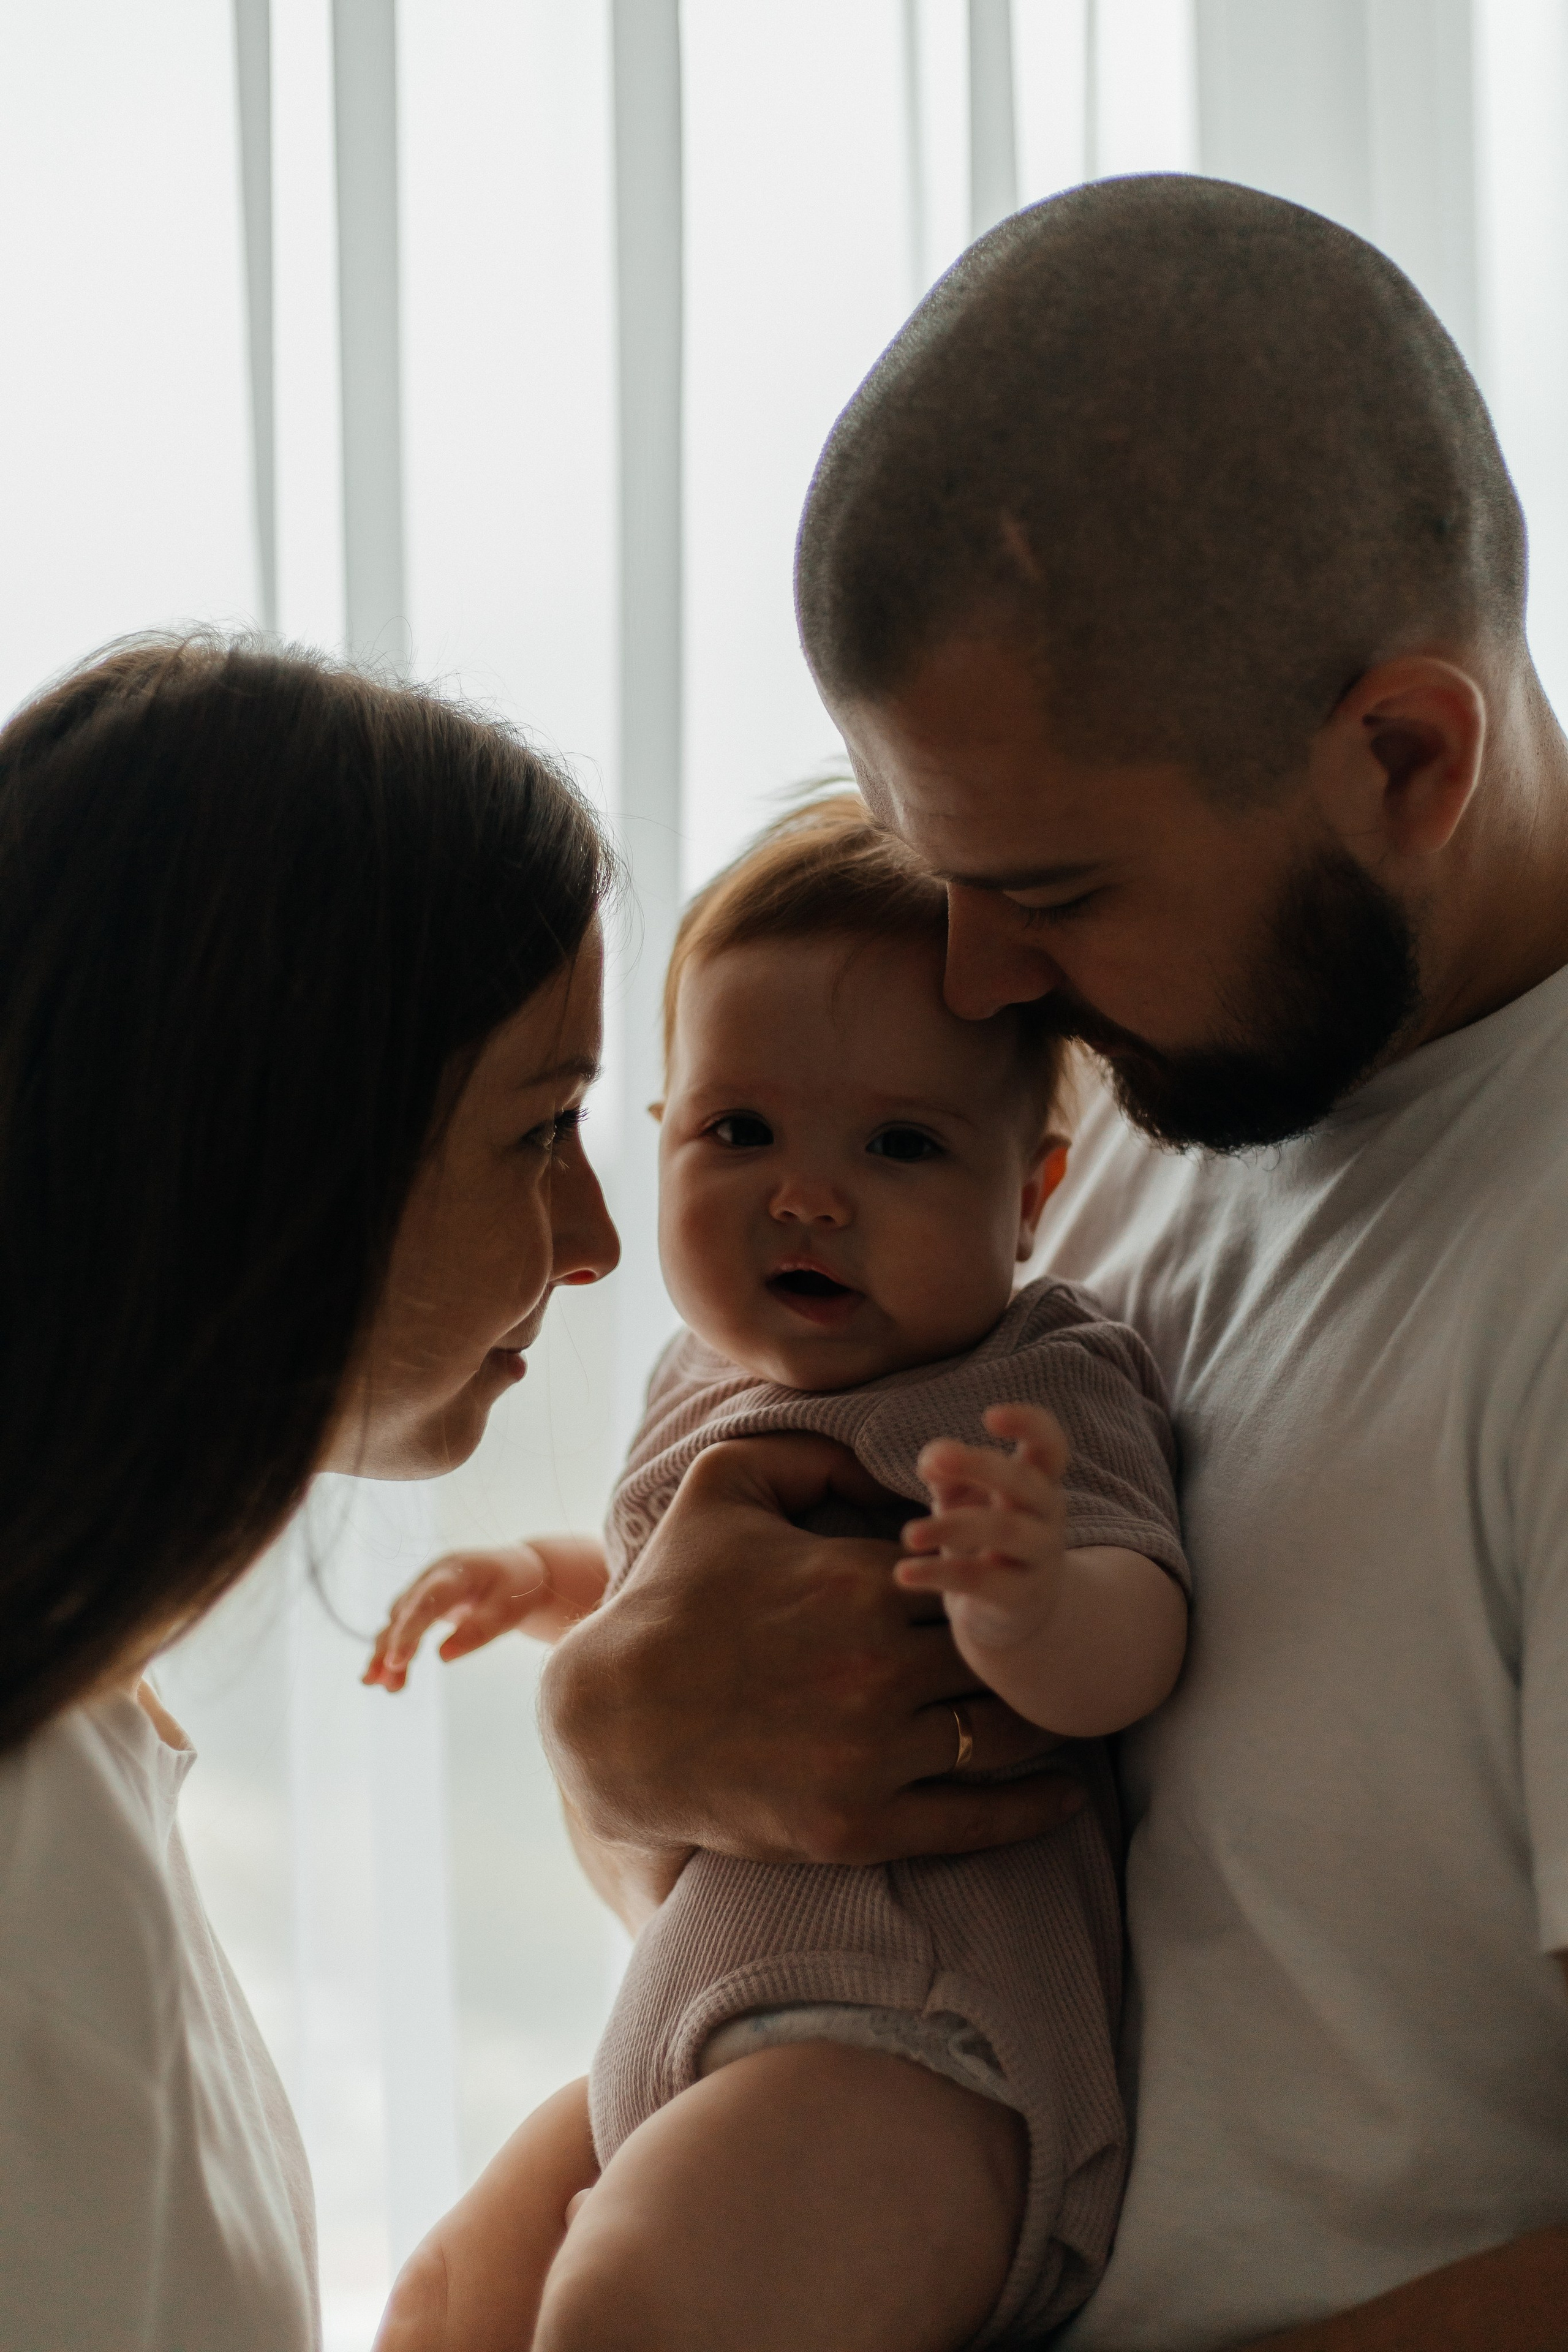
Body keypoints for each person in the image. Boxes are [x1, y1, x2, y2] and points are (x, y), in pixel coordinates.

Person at [538, 175, 1568, 2349]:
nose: (982, 971)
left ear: (1405, 755)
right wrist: (620, 1745)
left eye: (1057, 886)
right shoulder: (1145, 1088)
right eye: (937, 869)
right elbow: (933, 1918)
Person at [365, 796, 1187, 2352]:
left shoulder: (1039, 1373)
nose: (803, 1196)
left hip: (923, 2049)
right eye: (738, 1132)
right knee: (442, 2302)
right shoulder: (703, 1375)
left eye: (897, 1144)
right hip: (706, 2016)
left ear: (1031, 1193)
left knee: (628, 2314)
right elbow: (672, 1589)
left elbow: (1142, 1629)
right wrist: (546, 1581)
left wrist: (1031, 1603)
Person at [0, 636, 619, 2351]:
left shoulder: (85, 1749)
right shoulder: (32, 1838)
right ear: (282, 1139)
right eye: (542, 1130)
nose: (596, 1243)